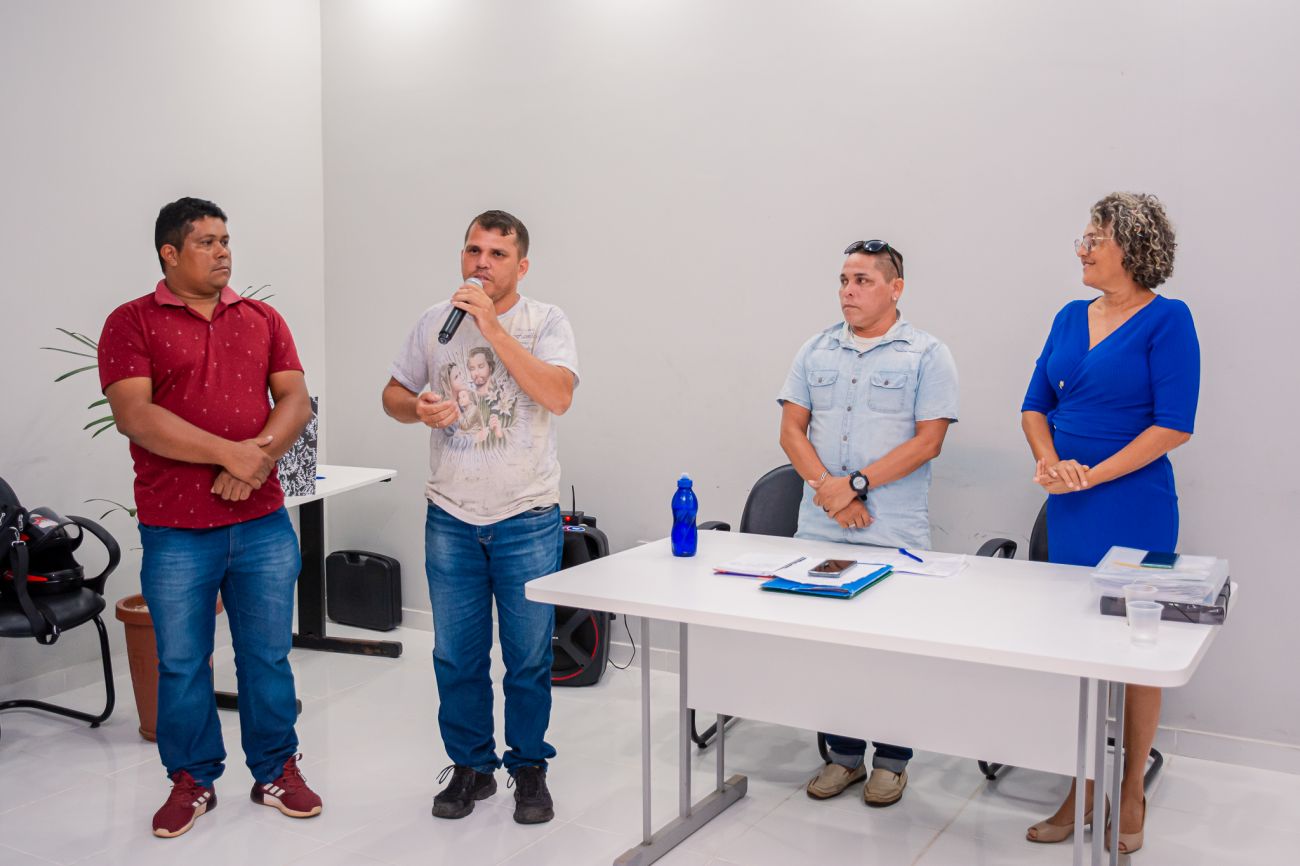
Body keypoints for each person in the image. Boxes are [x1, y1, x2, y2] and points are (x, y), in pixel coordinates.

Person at [99, 197, 320, 838]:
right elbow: (136, 417)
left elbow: (295, 399)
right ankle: (192, 780)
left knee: (267, 657)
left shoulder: (261, 318)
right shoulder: (131, 322)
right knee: (181, 663)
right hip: (176, 530)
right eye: (206, 242)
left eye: (226, 240)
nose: (223, 252)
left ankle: (276, 770)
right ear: (169, 253)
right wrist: (233, 454)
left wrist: (255, 463)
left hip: (262, 525)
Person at [382, 209, 579, 825]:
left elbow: (558, 395)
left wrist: (492, 328)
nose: (481, 263)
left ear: (522, 266)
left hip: (526, 516)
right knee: (456, 656)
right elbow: (392, 394)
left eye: (497, 254)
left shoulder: (546, 322)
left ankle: (529, 766)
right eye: (473, 250)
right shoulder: (433, 322)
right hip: (451, 516)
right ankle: (471, 766)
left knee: (528, 657)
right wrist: (417, 408)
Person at [1021, 193, 1198, 855]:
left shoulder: (1169, 320)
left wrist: (1093, 475)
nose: (1083, 248)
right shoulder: (1069, 317)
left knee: (1137, 651)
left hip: (1135, 505)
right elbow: (1034, 405)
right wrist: (1049, 462)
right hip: (1070, 503)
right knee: (1078, 646)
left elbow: (1174, 425)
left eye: (1095, 237)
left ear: (1132, 246)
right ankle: (1083, 783)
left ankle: (1130, 790)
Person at [777, 239, 959, 808]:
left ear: (895, 288)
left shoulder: (927, 355)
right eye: (843, 280)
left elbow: (928, 442)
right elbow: (791, 431)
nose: (848, 291)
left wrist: (854, 485)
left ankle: (893, 763)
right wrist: (831, 494)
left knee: (891, 651)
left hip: (892, 532)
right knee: (831, 651)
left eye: (862, 281)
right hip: (822, 529)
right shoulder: (815, 349)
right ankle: (844, 757)